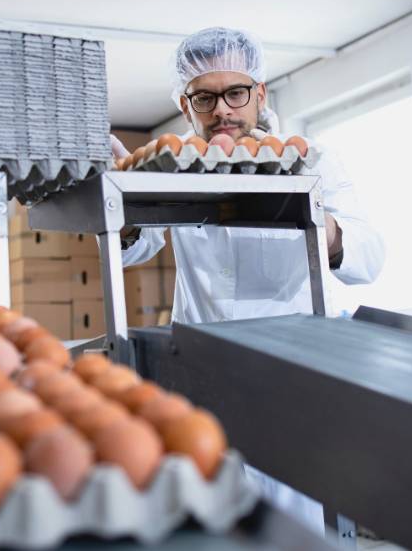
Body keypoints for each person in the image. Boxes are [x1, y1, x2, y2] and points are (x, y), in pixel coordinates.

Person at [111, 27, 385, 533]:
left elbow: (369, 258)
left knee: (295, 524)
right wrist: (120, 196)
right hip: (201, 374)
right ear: (185, 103)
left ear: (259, 93)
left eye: (235, 92)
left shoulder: (313, 162)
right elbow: (136, 246)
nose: (223, 110)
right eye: (204, 97)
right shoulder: (179, 166)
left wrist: (313, 218)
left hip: (292, 380)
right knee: (213, 520)